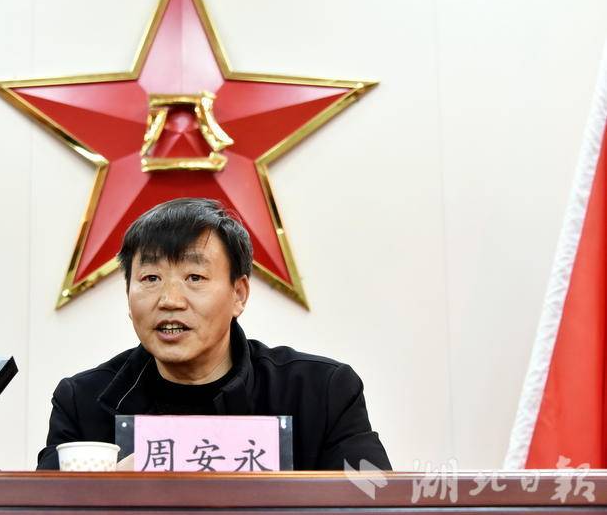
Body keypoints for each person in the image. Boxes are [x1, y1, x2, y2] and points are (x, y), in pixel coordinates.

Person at [37, 197, 391, 470]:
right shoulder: (83, 401)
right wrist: (109, 491)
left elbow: (375, 505)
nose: (170, 300)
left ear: (239, 294)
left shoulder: (321, 392)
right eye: (150, 278)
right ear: (128, 296)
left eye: (195, 277)